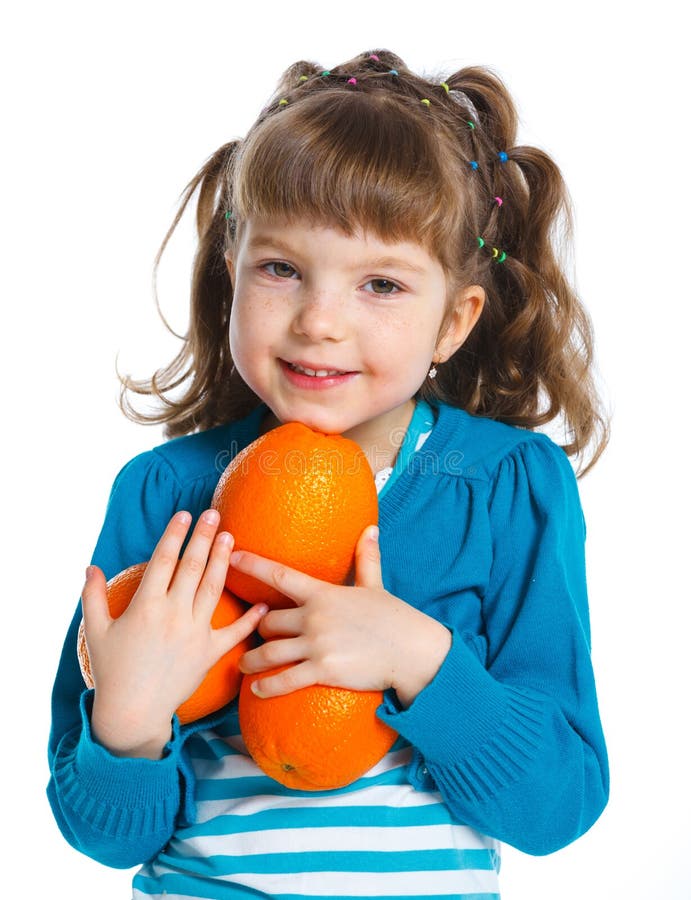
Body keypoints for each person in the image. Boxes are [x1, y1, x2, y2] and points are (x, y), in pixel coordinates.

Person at [47, 49, 610, 899]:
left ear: (453, 321)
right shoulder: (161, 492)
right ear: (231, 266)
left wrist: (421, 659)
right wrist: (125, 722)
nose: (318, 322)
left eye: (380, 284)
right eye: (280, 269)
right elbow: (100, 836)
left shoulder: (505, 486)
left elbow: (556, 807)